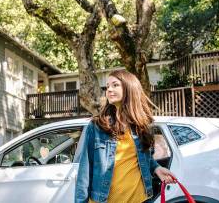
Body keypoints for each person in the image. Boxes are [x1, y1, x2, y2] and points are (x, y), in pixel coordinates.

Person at [75, 70, 176, 203]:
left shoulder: (141, 125)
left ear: (129, 88)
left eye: (115, 85)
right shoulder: (97, 126)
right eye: (107, 86)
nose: (109, 89)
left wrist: (156, 168)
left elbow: (144, 157)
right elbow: (84, 172)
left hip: (140, 199)